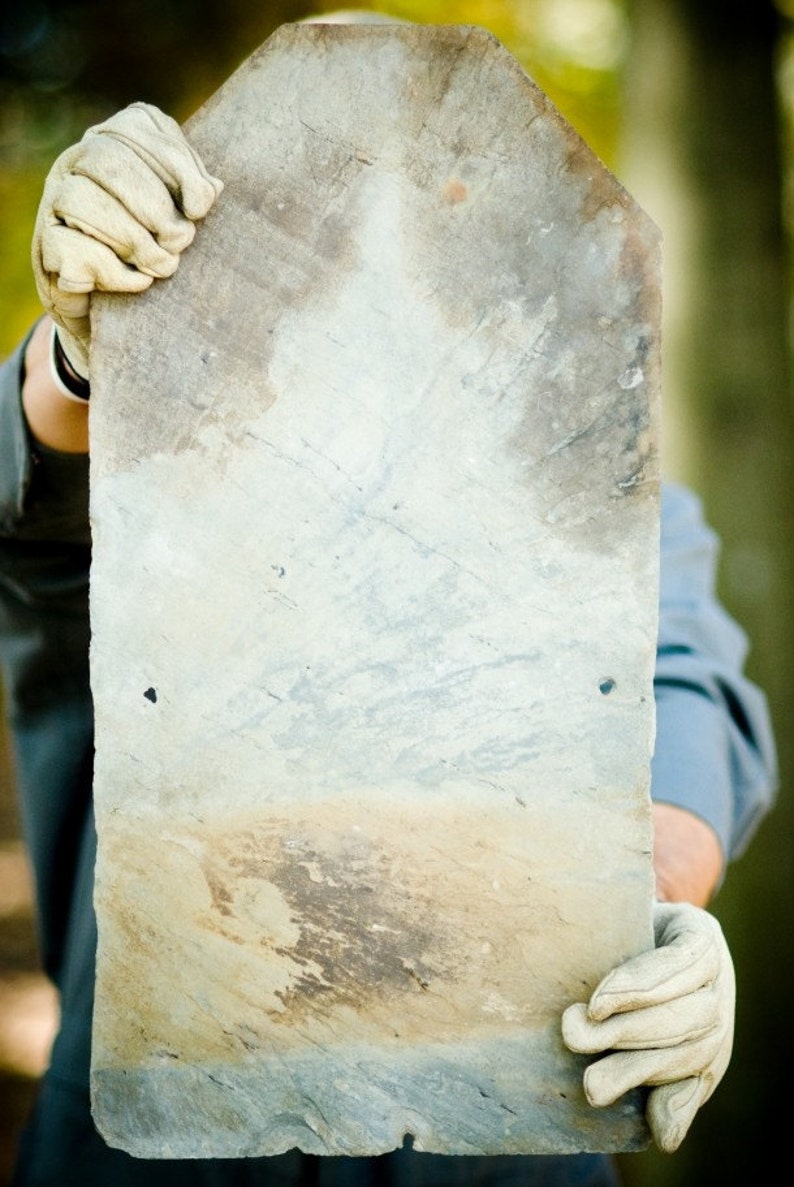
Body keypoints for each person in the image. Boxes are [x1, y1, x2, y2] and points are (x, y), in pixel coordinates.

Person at [0, 13, 778, 1187]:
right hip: (160, 1147)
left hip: (506, 1132)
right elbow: (46, 530)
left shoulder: (592, 505)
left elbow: (682, 683)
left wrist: (647, 918)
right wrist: (82, 361)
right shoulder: (166, 485)